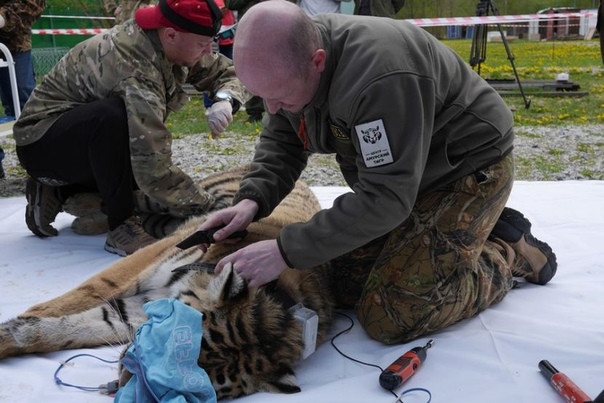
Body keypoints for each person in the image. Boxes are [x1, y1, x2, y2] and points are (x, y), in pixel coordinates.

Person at [196, 0, 558, 345]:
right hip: (407, 178)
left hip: (466, 172)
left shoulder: (378, 78)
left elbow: (386, 198)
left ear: (317, 61)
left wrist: (284, 250)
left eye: (281, 99)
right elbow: (284, 142)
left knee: (394, 315)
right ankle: (465, 232)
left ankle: (505, 253)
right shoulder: (290, 63)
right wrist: (252, 200)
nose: (273, 108)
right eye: (264, 98)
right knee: (335, 278)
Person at [13, 0, 249, 256]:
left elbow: (226, 71)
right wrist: (208, 206)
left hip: (79, 143)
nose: (206, 52)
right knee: (114, 118)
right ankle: (121, 225)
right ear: (171, 34)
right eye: (203, 45)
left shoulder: (170, 38)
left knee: (128, 147)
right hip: (41, 145)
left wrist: (224, 100)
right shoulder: (135, 65)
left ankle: (61, 190)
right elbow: (152, 165)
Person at [0, 0, 46, 180]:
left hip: (15, 45)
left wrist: (4, 16)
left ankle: (41, 162)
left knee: (25, 103)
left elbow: (34, 5)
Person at [225, 0, 265, 123]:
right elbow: (231, 4)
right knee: (252, 70)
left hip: (278, 28)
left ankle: (282, 110)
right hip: (250, 30)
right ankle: (255, 111)